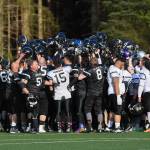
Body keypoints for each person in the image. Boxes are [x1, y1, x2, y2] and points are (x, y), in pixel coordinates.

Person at [106, 57, 125, 132]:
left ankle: (109, 126)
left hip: (113, 92)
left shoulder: (115, 68)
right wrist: (118, 95)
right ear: (119, 61)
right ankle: (117, 127)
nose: (123, 65)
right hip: (115, 92)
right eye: (123, 63)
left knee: (112, 110)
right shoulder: (114, 69)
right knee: (118, 109)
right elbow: (115, 82)